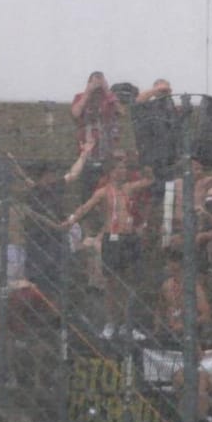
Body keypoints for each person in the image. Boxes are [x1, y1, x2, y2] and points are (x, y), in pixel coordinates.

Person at [60, 160, 153, 338]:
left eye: (124, 168)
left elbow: (149, 181)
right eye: (118, 168)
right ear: (110, 172)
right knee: (111, 284)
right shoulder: (103, 192)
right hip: (112, 238)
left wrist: (145, 164)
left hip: (128, 238)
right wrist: (71, 220)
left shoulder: (129, 188)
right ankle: (111, 322)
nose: (122, 172)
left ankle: (127, 325)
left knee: (128, 283)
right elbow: (85, 207)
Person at [70, 71, 122, 201]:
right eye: (95, 81)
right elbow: (76, 113)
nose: (97, 85)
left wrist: (107, 90)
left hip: (106, 153)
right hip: (87, 153)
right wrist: (88, 92)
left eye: (100, 80)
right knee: (86, 192)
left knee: (106, 191)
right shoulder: (80, 97)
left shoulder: (109, 99)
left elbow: (121, 111)